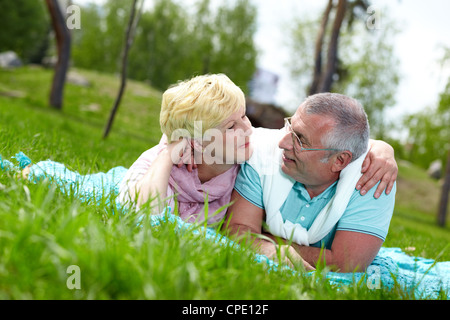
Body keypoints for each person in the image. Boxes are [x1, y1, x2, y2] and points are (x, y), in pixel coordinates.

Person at [118, 74, 397, 229]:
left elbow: (332, 142)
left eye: (244, 117)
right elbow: (140, 219)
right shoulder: (158, 167)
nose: (248, 129)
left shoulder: (249, 154)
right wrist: (168, 154)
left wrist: (383, 149)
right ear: (198, 142)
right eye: (231, 126)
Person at [225, 92, 397, 272]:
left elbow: (346, 264)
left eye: (299, 140)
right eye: (289, 128)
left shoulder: (373, 179)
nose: (283, 143)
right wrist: (268, 249)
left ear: (339, 161)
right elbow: (238, 230)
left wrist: (266, 240)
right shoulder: (262, 155)